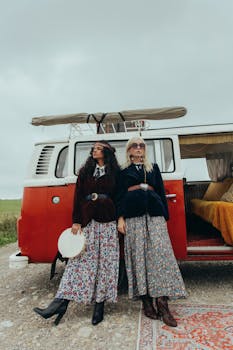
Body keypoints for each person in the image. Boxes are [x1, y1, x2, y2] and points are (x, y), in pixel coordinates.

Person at [34, 141, 120, 326]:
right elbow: (78, 197)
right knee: (79, 263)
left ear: (106, 152)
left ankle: (99, 305)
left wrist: (120, 218)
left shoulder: (115, 173)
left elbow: (119, 197)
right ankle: (59, 303)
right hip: (88, 220)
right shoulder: (85, 171)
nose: (94, 150)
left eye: (98, 148)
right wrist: (76, 221)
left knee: (105, 264)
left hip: (108, 221)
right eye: (94, 148)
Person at [116, 137, 187, 327]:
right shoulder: (123, 171)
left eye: (142, 145)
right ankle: (146, 302)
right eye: (135, 145)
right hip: (133, 217)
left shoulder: (153, 168)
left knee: (160, 257)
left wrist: (164, 215)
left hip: (154, 215)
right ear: (129, 150)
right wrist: (120, 218)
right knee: (139, 257)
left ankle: (163, 304)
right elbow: (120, 196)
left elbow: (162, 192)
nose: (139, 148)